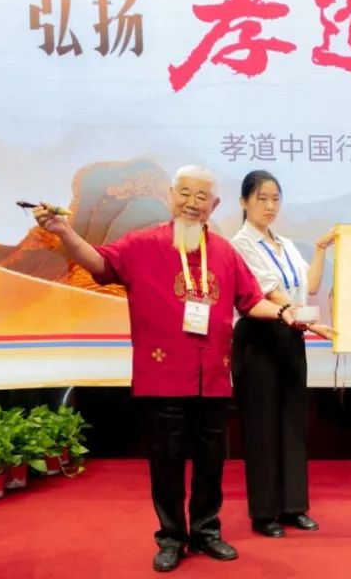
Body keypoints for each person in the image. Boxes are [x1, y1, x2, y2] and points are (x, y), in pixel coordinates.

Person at [34, 166, 310, 572]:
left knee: (211, 462)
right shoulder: (143, 244)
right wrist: (64, 231)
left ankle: (206, 531)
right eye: (185, 193)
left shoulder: (225, 252)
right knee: (166, 463)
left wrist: (286, 313)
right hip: (162, 377)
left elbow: (251, 301)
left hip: (212, 377)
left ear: (214, 205)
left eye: (201, 197)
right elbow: (100, 263)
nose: (192, 203)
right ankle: (171, 537)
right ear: (170, 195)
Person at [230, 170, 334, 538]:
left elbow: (310, 286)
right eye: (261, 198)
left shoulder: (286, 244)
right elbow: (274, 295)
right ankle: (264, 513)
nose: (269, 206)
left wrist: (320, 249)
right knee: (262, 425)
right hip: (258, 336)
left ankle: (294, 506)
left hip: (291, 335)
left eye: (275, 198)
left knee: (292, 422)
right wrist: (312, 324)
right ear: (244, 202)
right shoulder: (240, 244)